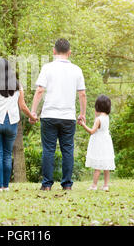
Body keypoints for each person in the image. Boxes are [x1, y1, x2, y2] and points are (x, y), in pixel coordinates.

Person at [30, 38, 87, 191]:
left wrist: (33, 111)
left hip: (49, 114)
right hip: (68, 116)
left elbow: (40, 90)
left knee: (48, 149)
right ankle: (67, 184)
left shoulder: (47, 68)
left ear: (54, 51)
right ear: (69, 53)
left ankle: (47, 184)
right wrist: (82, 114)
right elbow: (82, 94)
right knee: (67, 149)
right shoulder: (77, 70)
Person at [0, 58, 38, 192]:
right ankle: (6, 186)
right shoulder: (18, 86)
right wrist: (32, 117)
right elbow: (23, 106)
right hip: (12, 122)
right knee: (8, 154)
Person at [81, 95, 115, 192]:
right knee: (106, 165)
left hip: (99, 142)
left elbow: (92, 131)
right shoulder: (106, 117)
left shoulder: (98, 119)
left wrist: (83, 124)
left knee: (97, 165)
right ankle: (105, 185)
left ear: (98, 106)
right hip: (106, 142)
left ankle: (94, 185)